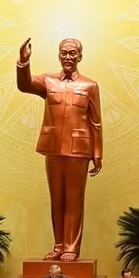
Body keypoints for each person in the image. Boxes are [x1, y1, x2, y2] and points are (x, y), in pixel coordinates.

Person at [16, 37, 103, 262]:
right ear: (58, 55)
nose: (68, 57)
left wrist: (97, 154)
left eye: (72, 53)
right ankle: (58, 246)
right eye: (64, 53)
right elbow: (25, 85)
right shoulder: (48, 81)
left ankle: (71, 247)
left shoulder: (90, 86)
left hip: (79, 151)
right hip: (53, 148)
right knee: (57, 200)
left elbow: (96, 122)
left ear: (80, 56)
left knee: (74, 200)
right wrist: (23, 62)